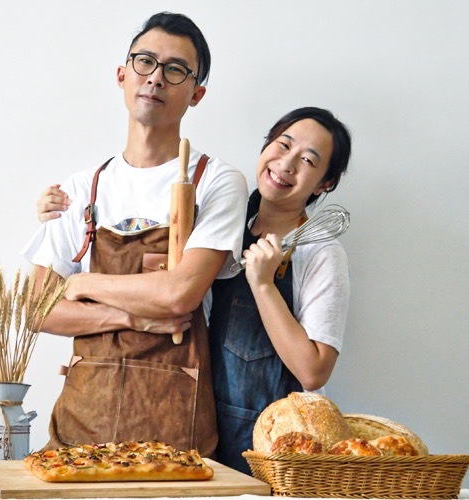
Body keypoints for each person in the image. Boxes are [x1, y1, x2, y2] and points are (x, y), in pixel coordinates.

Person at [37, 106, 352, 474]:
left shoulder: (321, 253)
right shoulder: (220, 218)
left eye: (309, 161)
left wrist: (263, 284)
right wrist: (58, 212)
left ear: (324, 184)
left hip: (270, 448)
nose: (286, 164)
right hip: (196, 426)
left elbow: (314, 371)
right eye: (283, 145)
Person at [21, 12, 247, 458]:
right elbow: (37, 311)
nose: (156, 78)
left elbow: (180, 295)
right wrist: (133, 318)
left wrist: (82, 285)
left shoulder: (216, 181)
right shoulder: (80, 189)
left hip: (176, 427)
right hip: (82, 421)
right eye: (145, 61)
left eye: (175, 69)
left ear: (196, 94)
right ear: (122, 75)